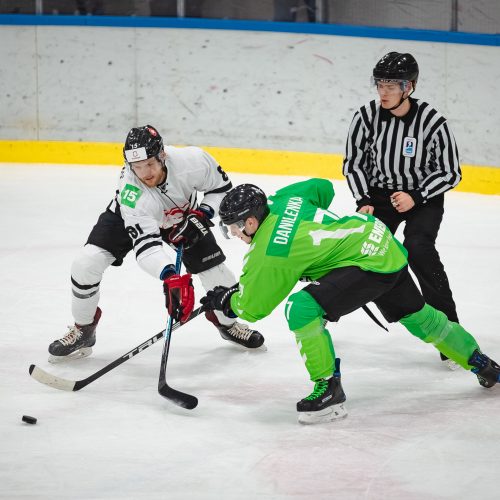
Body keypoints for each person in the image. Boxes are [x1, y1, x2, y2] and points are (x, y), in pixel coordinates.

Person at [200, 178, 500, 424]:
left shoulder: (268, 253)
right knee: (420, 317)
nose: (234, 233)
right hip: (382, 243)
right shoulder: (282, 200)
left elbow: (253, 308)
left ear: (251, 221)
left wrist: (227, 302)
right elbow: (322, 188)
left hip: (368, 263)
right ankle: (482, 364)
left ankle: (329, 389)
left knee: (301, 309)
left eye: (234, 227)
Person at [48, 125, 264, 363]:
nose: (145, 173)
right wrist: (171, 276)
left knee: (219, 276)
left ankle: (228, 324)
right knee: (86, 263)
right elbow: (146, 247)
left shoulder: (192, 161)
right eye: (137, 167)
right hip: (127, 219)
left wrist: (202, 214)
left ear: (162, 155)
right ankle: (84, 329)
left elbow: (221, 189)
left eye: (150, 164)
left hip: (184, 219)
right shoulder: (132, 192)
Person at [342, 52, 462, 369]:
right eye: (379, 83)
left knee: (418, 248)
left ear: (408, 87)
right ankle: (336, 306)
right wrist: (364, 199)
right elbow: (354, 164)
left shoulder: (433, 122)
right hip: (380, 195)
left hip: (423, 196)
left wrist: (417, 195)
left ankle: (450, 330)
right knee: (370, 251)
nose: (383, 91)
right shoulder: (366, 117)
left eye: (391, 85)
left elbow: (451, 172)